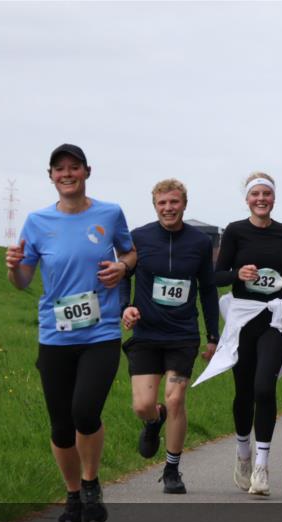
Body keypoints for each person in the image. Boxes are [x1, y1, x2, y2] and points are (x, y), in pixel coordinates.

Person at [5, 144, 135, 522]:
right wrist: (13, 267)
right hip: (55, 334)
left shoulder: (110, 213)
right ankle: (73, 495)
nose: (67, 174)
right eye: (59, 169)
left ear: (86, 172)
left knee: (85, 411)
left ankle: (91, 482)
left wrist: (122, 268)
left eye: (74, 167)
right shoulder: (36, 222)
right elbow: (22, 280)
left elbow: (130, 254)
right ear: (51, 176)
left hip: (101, 332)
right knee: (61, 425)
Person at [194, 172, 282, 496]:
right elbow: (216, 277)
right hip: (244, 319)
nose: (261, 199)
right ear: (247, 199)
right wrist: (238, 273)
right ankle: (243, 453)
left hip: (275, 319)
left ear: (273, 198)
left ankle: (262, 466)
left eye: (266, 194)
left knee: (264, 387)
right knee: (245, 391)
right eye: (255, 194)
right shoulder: (236, 231)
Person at [120, 179, 220, 494]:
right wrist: (125, 307)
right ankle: (154, 420)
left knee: (175, 398)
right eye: (162, 203)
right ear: (155, 206)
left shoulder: (200, 243)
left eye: (174, 202)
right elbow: (124, 275)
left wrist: (213, 335)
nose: (168, 208)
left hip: (182, 335)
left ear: (184, 204)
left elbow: (208, 289)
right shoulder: (139, 238)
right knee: (143, 405)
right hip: (147, 333)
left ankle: (172, 469)